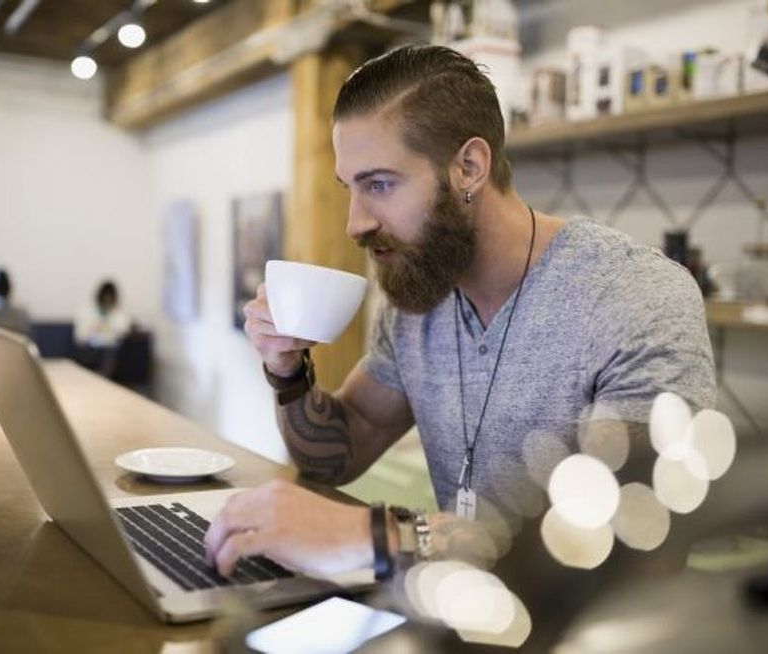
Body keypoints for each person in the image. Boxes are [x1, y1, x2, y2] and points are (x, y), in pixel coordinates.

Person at [203, 44, 716, 580]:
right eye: (349, 189)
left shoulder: (635, 296)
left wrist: (369, 534)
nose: (355, 222)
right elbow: (341, 449)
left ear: (469, 167)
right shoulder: (419, 298)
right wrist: (287, 370)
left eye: (379, 184)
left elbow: (625, 531)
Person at [74, 281, 133, 377]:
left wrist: (107, 329)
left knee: (110, 353)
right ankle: (99, 379)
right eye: (105, 298)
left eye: (110, 299)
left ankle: (103, 379)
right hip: (89, 348)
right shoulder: (87, 311)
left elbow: (122, 331)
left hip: (108, 349)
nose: (107, 302)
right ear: (100, 297)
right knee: (106, 353)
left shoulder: (118, 313)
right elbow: (81, 336)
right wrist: (98, 330)